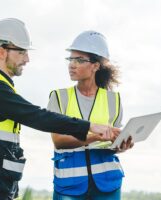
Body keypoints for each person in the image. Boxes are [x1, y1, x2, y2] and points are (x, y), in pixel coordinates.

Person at [0, 18, 120, 200]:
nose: (27, 59)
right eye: (21, 52)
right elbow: (38, 117)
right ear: (2, 52)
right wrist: (89, 126)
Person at [47, 31, 134, 200]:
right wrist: (95, 137)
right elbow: (58, 140)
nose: (72, 65)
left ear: (96, 65)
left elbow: (113, 145)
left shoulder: (113, 100)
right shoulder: (59, 97)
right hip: (69, 186)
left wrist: (122, 146)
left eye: (79, 60)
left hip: (107, 184)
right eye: (70, 59)